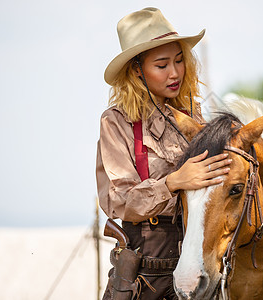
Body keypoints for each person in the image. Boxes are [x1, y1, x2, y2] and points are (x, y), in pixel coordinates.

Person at [96, 7, 231, 300]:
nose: (175, 73)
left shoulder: (194, 114)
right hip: (144, 273)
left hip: (198, 262)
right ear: (136, 69)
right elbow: (119, 201)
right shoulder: (116, 121)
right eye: (161, 65)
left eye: (179, 60)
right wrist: (174, 182)